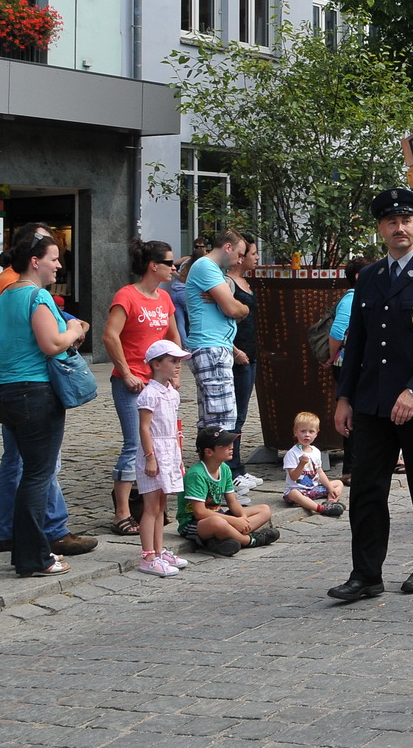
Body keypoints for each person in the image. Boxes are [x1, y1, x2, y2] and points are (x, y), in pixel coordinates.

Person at [330, 188, 413, 602]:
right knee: (366, 489)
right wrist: (345, 397)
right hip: (373, 403)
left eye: (405, 221)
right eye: (390, 222)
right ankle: (365, 574)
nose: (399, 228)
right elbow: (358, 343)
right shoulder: (369, 277)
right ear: (380, 229)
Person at [0, 235, 93, 577]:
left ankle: (26, 552)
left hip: (9, 394)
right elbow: (52, 344)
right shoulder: (35, 296)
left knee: (29, 473)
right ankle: (33, 557)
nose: (59, 264)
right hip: (36, 394)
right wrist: (71, 328)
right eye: (54, 258)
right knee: (38, 476)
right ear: (35, 262)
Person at [102, 239, 182, 538]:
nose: (173, 268)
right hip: (132, 381)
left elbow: (173, 336)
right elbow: (110, 336)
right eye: (169, 263)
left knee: (163, 440)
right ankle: (121, 510)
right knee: (134, 442)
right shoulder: (127, 296)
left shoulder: (164, 298)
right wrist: (125, 372)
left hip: (159, 382)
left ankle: (152, 503)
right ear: (153, 265)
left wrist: (176, 374)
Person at [183, 230, 249, 434]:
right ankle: (216, 465)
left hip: (215, 346)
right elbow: (233, 309)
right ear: (227, 247)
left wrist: (232, 304)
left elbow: (231, 308)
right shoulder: (206, 266)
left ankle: (212, 465)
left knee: (213, 419)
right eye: (239, 254)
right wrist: (242, 307)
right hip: (211, 347)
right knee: (221, 423)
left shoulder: (215, 271)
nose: (239, 261)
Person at [134, 341, 189, 578]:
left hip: (169, 451)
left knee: (162, 505)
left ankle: (159, 549)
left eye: (179, 362)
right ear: (156, 364)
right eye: (173, 361)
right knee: (151, 506)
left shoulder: (171, 394)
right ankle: (148, 555)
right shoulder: (149, 394)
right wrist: (150, 458)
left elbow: (175, 428)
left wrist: (179, 457)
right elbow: (144, 428)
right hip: (155, 450)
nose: (178, 366)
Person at [179, 427, 276, 557]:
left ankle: (221, 540)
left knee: (265, 510)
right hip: (194, 523)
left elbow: (232, 502)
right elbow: (200, 512)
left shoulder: (224, 469)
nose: (231, 447)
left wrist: (242, 518)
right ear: (209, 452)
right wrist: (235, 522)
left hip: (219, 515)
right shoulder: (196, 474)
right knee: (218, 523)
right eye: (224, 445)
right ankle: (249, 540)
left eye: (231, 443)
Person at [326, 255, 372, 482]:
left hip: (358, 363)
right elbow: (337, 332)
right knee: (351, 413)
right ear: (358, 277)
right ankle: (350, 469)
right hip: (347, 364)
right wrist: (332, 355)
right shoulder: (351, 299)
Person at [224, 236, 263, 490]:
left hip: (252, 352)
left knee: (242, 413)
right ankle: (233, 468)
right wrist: (235, 350)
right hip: (238, 355)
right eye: (253, 253)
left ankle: (237, 467)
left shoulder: (247, 282)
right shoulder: (227, 283)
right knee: (234, 415)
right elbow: (223, 322)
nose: (256, 257)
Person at [282, 412, 344, 518]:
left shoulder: (315, 451)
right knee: (293, 493)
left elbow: (319, 471)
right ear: (295, 432)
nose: (307, 435)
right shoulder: (292, 453)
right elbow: (293, 476)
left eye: (311, 432)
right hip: (299, 490)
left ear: (316, 434)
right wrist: (301, 464)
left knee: (338, 483)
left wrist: (329, 487)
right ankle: (321, 509)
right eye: (303, 431)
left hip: (314, 489)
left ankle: (331, 502)